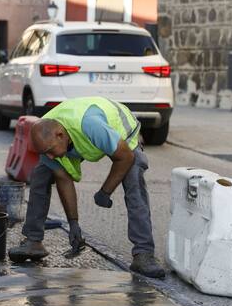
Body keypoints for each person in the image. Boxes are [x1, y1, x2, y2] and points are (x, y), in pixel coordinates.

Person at [8, 96, 165, 279]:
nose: (50, 156)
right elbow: (63, 179)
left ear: (60, 136)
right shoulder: (47, 137)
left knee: (133, 179)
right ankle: (33, 241)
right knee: (41, 174)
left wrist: (106, 191)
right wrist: (73, 224)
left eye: (50, 151)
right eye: (45, 152)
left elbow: (125, 157)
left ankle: (143, 254)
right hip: (75, 137)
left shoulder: (91, 126)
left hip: (121, 132)